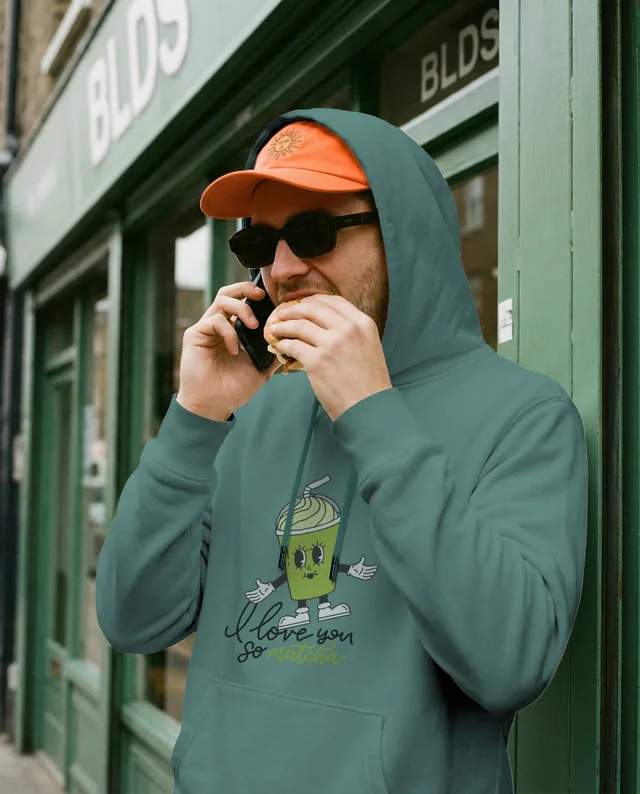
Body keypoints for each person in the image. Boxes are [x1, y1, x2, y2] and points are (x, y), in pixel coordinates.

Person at [95, 109, 588, 794]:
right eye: (261, 244)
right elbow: (133, 616)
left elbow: (512, 661)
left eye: (313, 232)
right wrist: (193, 417)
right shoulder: (254, 404)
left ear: (401, 234)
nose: (284, 268)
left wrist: (372, 413)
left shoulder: (525, 414)